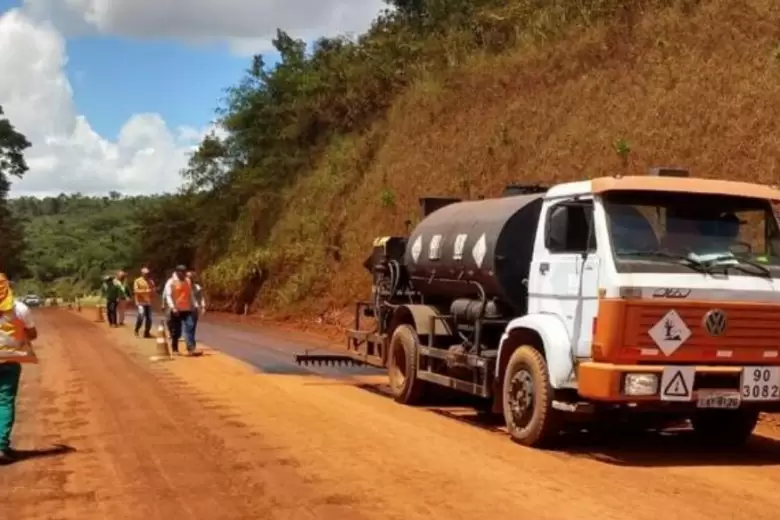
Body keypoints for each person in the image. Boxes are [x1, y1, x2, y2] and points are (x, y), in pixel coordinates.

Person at [0, 273, 38, 464]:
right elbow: (33, 333)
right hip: (8, 359)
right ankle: (1, 445)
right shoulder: (20, 308)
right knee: (5, 402)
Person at [162, 265, 202, 357]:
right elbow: (168, 295)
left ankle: (191, 348)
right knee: (176, 331)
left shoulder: (187, 281)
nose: (184, 274)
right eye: (182, 272)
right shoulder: (171, 282)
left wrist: (195, 305)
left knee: (190, 326)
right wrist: (173, 307)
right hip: (176, 309)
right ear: (178, 272)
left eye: (185, 272)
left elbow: (190, 294)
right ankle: (175, 348)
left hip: (187, 309)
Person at [133, 267, 156, 338]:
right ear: (142, 273)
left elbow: (153, 290)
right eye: (145, 273)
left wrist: (152, 294)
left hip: (148, 302)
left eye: (148, 273)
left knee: (149, 318)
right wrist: (146, 291)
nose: (147, 274)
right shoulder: (137, 281)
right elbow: (136, 291)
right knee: (141, 316)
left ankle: (147, 332)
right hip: (140, 302)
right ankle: (136, 330)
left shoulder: (151, 281)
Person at [186, 270, 206, 341]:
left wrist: (203, 307)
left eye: (191, 277)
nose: (189, 279)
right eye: (188, 277)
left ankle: (191, 343)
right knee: (189, 326)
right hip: (185, 310)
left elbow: (201, 297)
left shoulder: (197, 287)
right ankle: (190, 345)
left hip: (194, 310)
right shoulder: (184, 287)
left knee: (193, 327)